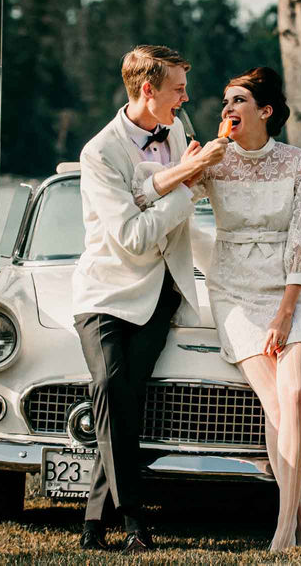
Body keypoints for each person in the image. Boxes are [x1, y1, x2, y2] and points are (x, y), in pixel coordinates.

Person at [71, 45, 227, 552]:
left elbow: (177, 203)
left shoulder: (176, 130)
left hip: (161, 291)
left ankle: (95, 524)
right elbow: (133, 237)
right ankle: (135, 517)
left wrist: (193, 174)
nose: (186, 98)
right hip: (106, 293)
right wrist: (184, 184)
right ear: (148, 89)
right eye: (178, 88)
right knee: (111, 387)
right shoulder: (100, 153)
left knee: (126, 401)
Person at [191, 66, 301, 551]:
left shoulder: (297, 162)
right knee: (275, 403)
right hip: (234, 290)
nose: (227, 109)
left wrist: (287, 310)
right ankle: (297, 523)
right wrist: (198, 161)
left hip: (292, 290)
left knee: (295, 397)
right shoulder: (215, 159)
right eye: (225, 101)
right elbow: (169, 200)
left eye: (239, 100)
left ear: (265, 111)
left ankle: (285, 526)